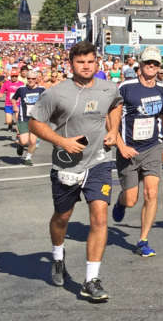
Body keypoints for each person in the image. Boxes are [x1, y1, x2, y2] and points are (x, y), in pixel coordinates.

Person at [28, 41, 121, 301]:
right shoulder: (57, 93)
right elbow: (35, 123)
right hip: (66, 164)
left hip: (99, 162)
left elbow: (116, 104)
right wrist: (62, 142)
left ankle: (91, 279)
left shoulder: (107, 87)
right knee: (62, 217)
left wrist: (113, 130)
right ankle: (58, 257)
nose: (86, 66)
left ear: (97, 62)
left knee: (100, 217)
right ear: (71, 64)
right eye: (81, 62)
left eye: (90, 61)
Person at [111, 45, 163, 257]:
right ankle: (121, 201)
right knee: (131, 200)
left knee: (151, 193)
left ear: (159, 67)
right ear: (140, 64)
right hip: (128, 148)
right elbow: (111, 119)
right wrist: (120, 145)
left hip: (152, 147)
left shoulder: (162, 90)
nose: (151, 66)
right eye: (148, 62)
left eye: (155, 63)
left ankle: (143, 240)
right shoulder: (126, 87)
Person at [12, 69, 45, 165]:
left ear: (36, 79)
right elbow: (14, 99)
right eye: (29, 78)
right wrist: (14, 106)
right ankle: (20, 145)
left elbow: (48, 101)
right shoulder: (21, 89)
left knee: (33, 141)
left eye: (33, 78)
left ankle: (28, 158)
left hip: (36, 120)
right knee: (24, 141)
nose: (30, 80)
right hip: (23, 119)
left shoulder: (42, 89)